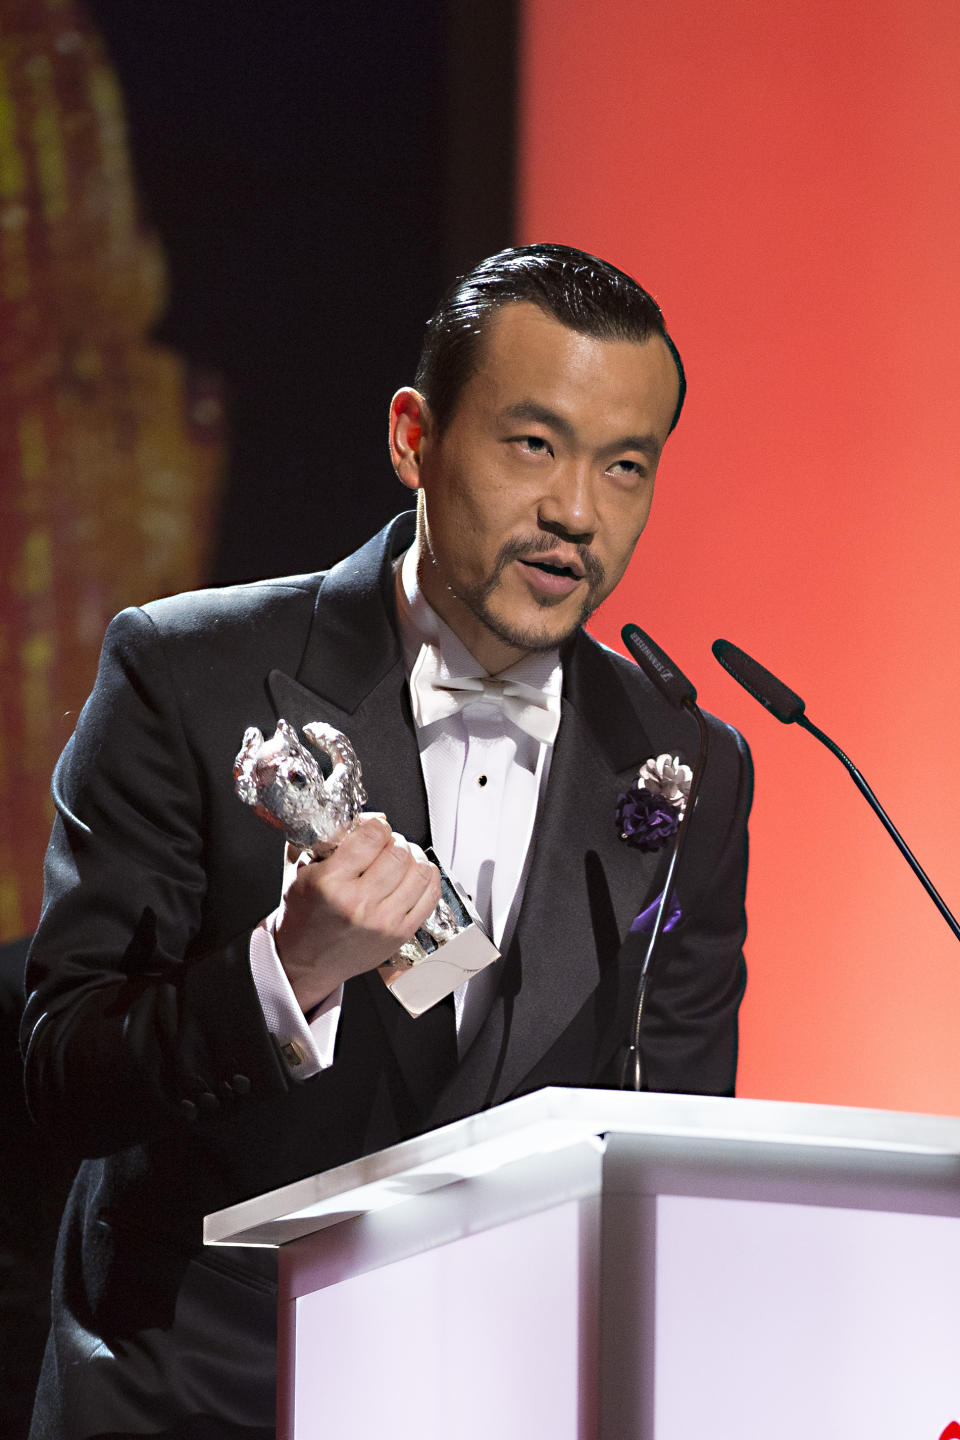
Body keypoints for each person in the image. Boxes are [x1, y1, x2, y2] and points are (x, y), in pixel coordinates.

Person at [22, 244, 751, 1439]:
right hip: (204, 1395)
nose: (577, 509)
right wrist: (287, 972)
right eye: (533, 445)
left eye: (626, 467)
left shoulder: (690, 764)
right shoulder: (186, 675)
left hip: (510, 1400)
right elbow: (60, 1084)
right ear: (414, 437)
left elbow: (676, 1136)